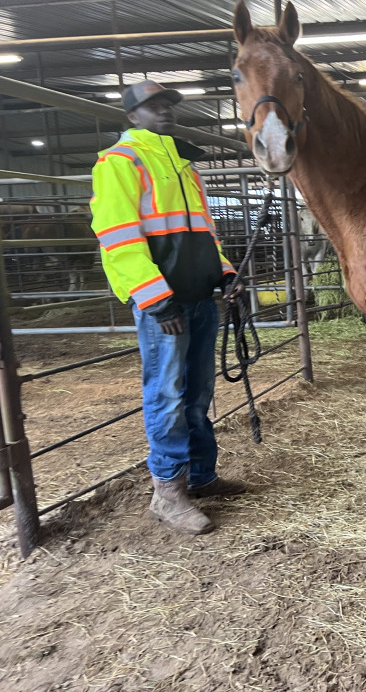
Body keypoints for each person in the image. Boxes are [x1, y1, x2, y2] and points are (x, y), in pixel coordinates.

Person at [91, 80, 248, 535]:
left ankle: (200, 475)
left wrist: (225, 271)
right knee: (167, 394)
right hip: (167, 304)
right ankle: (167, 491)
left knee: (197, 394)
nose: (164, 111)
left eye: (167, 104)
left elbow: (204, 232)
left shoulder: (183, 166)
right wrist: (156, 300)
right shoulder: (120, 162)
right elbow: (119, 238)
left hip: (200, 297)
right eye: (152, 106)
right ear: (132, 116)